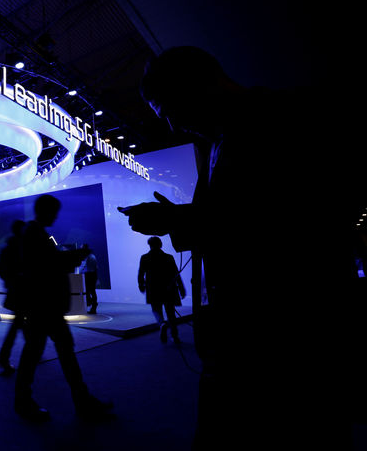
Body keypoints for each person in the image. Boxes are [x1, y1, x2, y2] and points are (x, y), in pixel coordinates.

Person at [119, 46, 363, 449]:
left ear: (199, 86)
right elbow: (242, 213)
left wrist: (181, 220)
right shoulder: (219, 142)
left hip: (292, 338)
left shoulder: (288, 118)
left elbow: (304, 217)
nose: (175, 126)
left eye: (170, 110)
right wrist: (183, 219)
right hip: (242, 341)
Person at [14, 194, 112, 422]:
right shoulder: (35, 233)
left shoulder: (35, 233)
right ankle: (78, 401)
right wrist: (75, 256)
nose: (56, 217)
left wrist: (71, 257)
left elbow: (46, 263)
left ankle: (77, 401)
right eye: (54, 212)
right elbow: (46, 265)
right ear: (46, 211)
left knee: (44, 354)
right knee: (47, 355)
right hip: (44, 305)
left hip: (44, 305)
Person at [137, 237, 185, 343]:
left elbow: (141, 273)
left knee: (156, 310)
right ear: (160, 244)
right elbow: (176, 274)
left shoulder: (145, 257)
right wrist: (181, 288)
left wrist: (141, 284)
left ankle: (162, 323)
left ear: (150, 245)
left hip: (153, 288)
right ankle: (175, 336)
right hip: (168, 288)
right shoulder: (169, 257)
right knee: (171, 312)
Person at [0, 220, 26, 374]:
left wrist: (11, 281)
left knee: (18, 325)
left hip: (16, 290)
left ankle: (4, 358)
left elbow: (1, 270)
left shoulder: (7, 247)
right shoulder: (20, 247)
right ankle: (4, 358)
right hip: (22, 291)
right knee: (18, 325)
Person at [80, 244, 99, 314]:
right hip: (92, 275)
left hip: (89, 275)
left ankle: (92, 304)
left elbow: (84, 267)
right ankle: (93, 306)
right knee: (91, 291)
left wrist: (79, 273)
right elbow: (96, 268)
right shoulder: (92, 256)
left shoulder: (88, 257)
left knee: (89, 291)